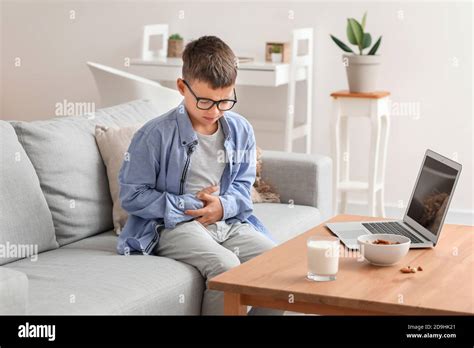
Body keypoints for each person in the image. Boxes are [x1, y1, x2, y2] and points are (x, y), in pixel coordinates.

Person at [117, 36, 282, 315]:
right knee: (226, 267)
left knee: (275, 264)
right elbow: (132, 196)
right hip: (171, 226)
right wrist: (191, 206)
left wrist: (223, 206)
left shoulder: (241, 130)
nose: (215, 111)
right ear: (182, 87)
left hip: (226, 222)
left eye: (224, 101)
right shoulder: (154, 134)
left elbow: (243, 184)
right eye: (205, 101)